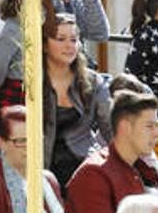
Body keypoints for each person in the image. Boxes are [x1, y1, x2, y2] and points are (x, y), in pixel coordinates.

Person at [64, 89, 158, 213]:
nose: (157, 134)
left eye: (157, 127)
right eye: (149, 126)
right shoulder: (94, 173)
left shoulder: (143, 170)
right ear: (125, 127)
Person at [43, 13, 112, 188]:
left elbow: (111, 129)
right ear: (44, 44)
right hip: (42, 171)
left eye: (74, 40)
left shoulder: (93, 82)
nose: (69, 46)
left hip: (83, 168)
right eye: (61, 39)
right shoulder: (31, 82)